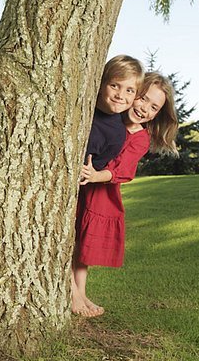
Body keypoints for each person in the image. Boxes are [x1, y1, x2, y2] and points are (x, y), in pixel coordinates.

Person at [71, 72, 179, 317]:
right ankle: (72, 294)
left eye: (154, 108)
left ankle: (82, 292)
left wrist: (95, 175)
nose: (144, 109)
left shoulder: (140, 137)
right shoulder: (111, 114)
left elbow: (123, 169)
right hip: (79, 187)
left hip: (100, 192)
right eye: (142, 99)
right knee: (67, 238)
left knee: (83, 247)